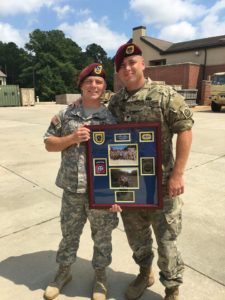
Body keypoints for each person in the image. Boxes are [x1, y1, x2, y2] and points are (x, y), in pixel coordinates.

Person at [109, 42, 194, 300]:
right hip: (130, 185)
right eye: (122, 66)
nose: (128, 68)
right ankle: (145, 273)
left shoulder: (164, 95)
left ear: (143, 64)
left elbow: (185, 129)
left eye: (132, 62)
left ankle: (172, 288)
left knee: (167, 240)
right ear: (118, 73)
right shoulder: (115, 103)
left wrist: (178, 174)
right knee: (137, 237)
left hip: (163, 184)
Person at [43, 63, 119, 300]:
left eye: (99, 82)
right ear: (81, 85)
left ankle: (100, 278)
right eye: (89, 82)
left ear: (104, 87)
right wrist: (72, 137)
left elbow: (123, 157)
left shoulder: (111, 118)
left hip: (102, 192)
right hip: (72, 189)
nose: (94, 85)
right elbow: (48, 143)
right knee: (69, 234)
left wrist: (120, 194)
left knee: (102, 237)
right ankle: (64, 272)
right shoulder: (66, 115)